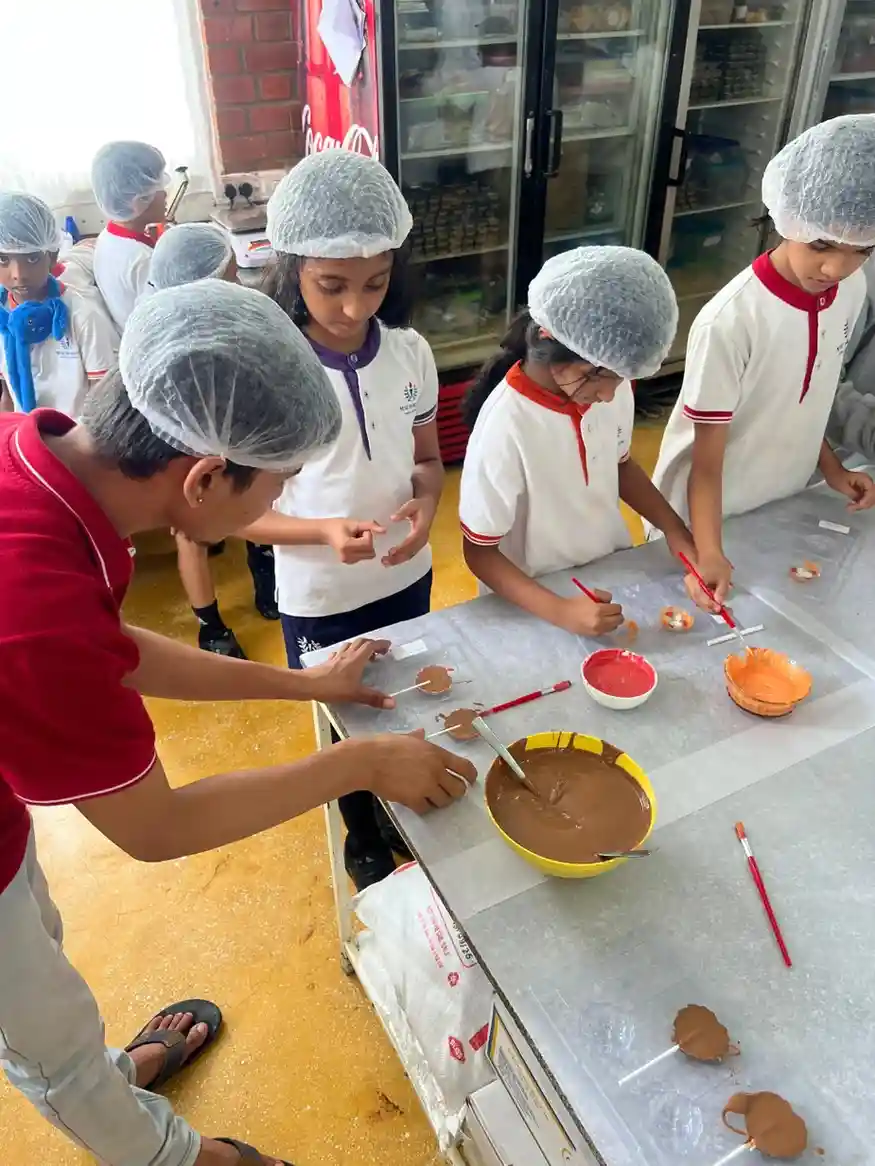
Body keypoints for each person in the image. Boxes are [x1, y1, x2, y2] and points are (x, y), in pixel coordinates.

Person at [0, 279, 475, 1166]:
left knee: (37, 938)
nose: (269, 515)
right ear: (206, 477)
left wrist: (302, 687)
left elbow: (114, 647)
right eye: (270, 492)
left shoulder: (40, 463)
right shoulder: (31, 607)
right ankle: (173, 1156)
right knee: (38, 1031)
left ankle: (103, 1074)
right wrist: (358, 764)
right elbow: (155, 828)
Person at [244, 149, 443, 891]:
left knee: (400, 698)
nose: (356, 306)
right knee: (339, 716)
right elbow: (244, 516)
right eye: (331, 286)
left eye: (375, 282)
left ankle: (396, 806)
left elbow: (425, 460)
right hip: (319, 595)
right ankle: (361, 829)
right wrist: (321, 533)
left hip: (403, 575)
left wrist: (424, 506)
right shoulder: (275, 369)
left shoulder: (410, 354)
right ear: (291, 268)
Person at [651, 114, 875, 605]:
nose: (835, 267)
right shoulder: (731, 321)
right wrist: (707, 549)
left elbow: (809, 393)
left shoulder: (850, 289)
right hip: (707, 518)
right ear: (786, 219)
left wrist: (832, 469)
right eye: (820, 244)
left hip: (779, 497)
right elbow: (706, 462)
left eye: (861, 249)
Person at [459, 246, 708, 631]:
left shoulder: (607, 382)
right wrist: (560, 611)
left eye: (620, 378)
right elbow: (480, 552)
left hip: (605, 567)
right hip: (536, 597)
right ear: (552, 344)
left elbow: (620, 466)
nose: (610, 395)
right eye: (601, 377)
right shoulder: (505, 428)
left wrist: (676, 531)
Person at [148, 222, 277, 657]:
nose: (238, 282)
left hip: (242, 431)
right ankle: (211, 625)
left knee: (256, 500)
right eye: (229, 276)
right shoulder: (165, 341)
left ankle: (265, 569)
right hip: (190, 446)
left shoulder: (242, 317)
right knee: (193, 532)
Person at [0, 192, 119, 417]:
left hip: (75, 439)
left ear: (52, 257)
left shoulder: (83, 315)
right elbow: (5, 395)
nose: (18, 275)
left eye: (32, 258)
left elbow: (103, 399)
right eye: (2, 259)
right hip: (22, 438)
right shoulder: (2, 314)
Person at [92, 141, 167, 330]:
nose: (165, 193)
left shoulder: (107, 238)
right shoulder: (144, 260)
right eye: (158, 186)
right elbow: (162, 323)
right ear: (139, 200)